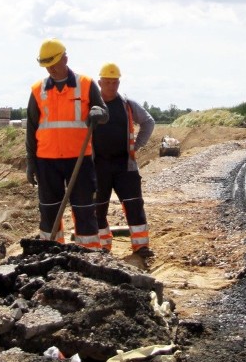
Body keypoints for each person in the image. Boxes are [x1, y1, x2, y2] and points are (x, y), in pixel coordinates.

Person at [26, 39, 108, 249]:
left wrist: (99, 113)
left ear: (65, 59)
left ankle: (88, 253)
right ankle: (50, 253)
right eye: (47, 65)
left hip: (79, 160)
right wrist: (31, 163)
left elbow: (104, 113)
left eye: (54, 63)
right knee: (49, 210)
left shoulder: (87, 84)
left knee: (84, 209)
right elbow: (32, 129)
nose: (51, 69)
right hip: (47, 161)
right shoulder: (38, 90)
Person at [91, 62, 156, 257]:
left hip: (124, 166)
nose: (111, 86)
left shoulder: (127, 104)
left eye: (115, 82)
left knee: (134, 204)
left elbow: (148, 122)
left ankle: (141, 246)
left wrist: (136, 146)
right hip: (98, 165)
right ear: (100, 82)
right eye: (108, 82)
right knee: (98, 208)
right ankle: (103, 247)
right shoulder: (91, 106)